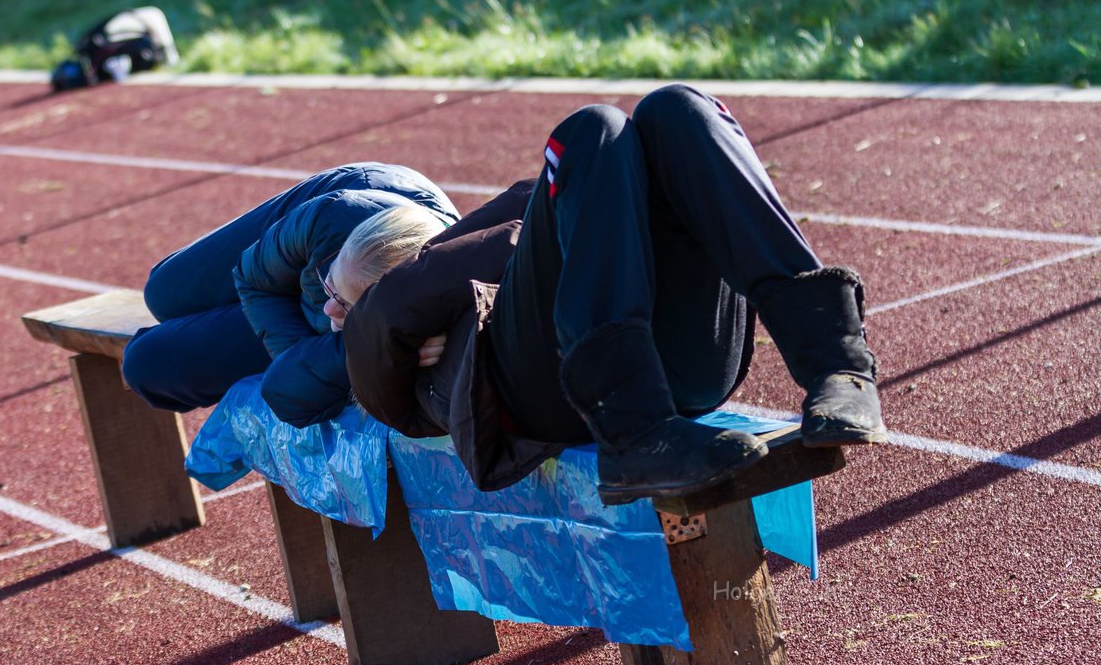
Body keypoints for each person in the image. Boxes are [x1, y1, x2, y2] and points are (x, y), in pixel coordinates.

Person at [336, 84, 886, 504]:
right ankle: (637, 435)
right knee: (591, 128)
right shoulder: (384, 338)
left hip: (686, 371)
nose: (328, 309)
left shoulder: (438, 288)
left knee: (677, 108)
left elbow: (539, 198)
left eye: (336, 294)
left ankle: (836, 364)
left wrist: (556, 220)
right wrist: (418, 303)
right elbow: (366, 329)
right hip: (558, 400)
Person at [121, 163, 457, 427]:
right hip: (349, 204)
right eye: (330, 288)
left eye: (342, 304)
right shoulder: (331, 216)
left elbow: (287, 396)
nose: (329, 307)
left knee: (146, 364)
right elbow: (253, 278)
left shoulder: (420, 321)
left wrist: (353, 352)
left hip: (350, 294)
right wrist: (299, 354)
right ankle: (333, 291)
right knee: (163, 294)